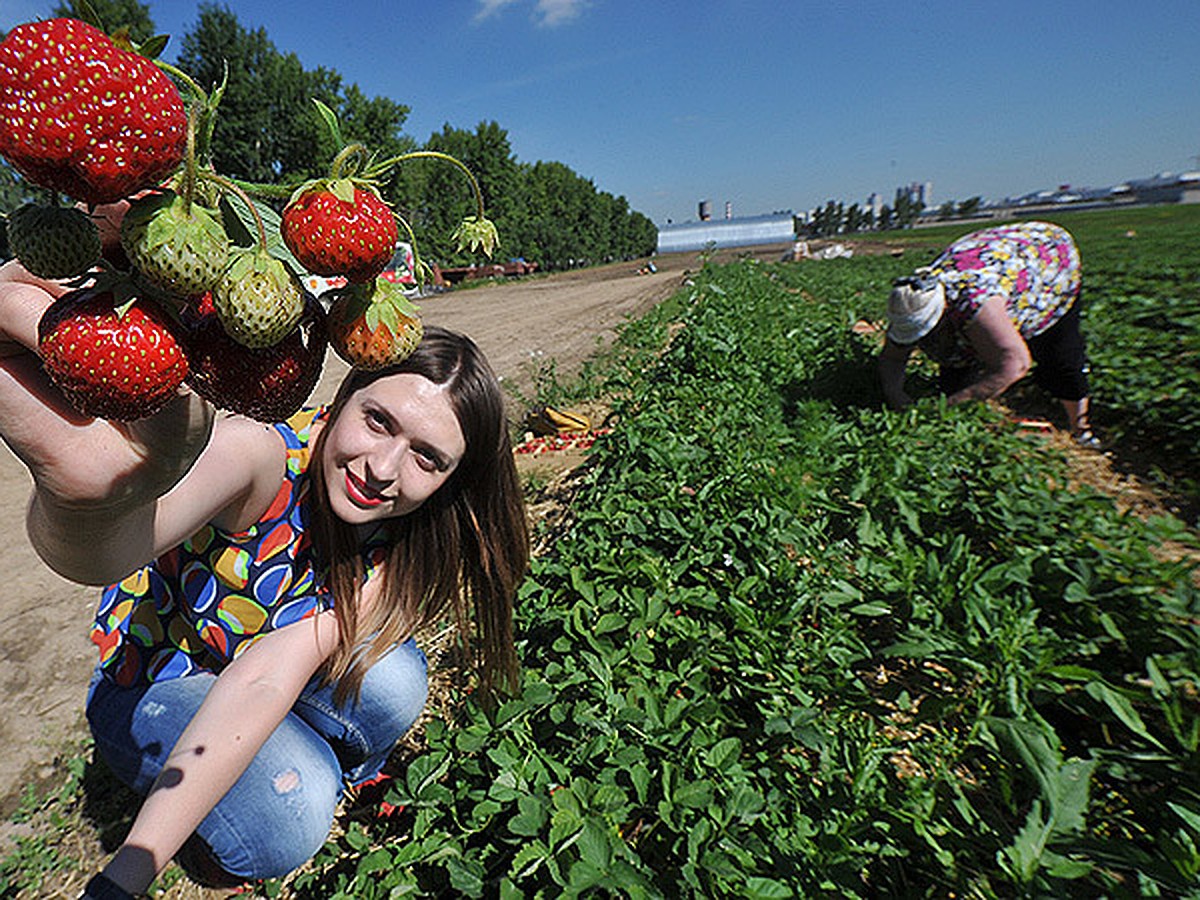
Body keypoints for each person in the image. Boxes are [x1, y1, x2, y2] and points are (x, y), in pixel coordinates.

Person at [0, 211, 529, 899]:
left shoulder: (405, 528)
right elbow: (107, 552)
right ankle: (227, 832)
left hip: (247, 670)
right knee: (294, 806)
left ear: (451, 479)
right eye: (378, 421)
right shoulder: (259, 455)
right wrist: (89, 505)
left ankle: (303, 767)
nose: (383, 468)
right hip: (151, 688)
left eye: (427, 458)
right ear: (344, 397)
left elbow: (270, 673)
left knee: (396, 677)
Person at [876, 221, 1099, 448]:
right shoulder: (908, 301)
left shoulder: (976, 304)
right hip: (988, 255)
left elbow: (1016, 365)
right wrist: (896, 397)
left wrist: (943, 409)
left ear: (942, 312)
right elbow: (892, 357)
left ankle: (1080, 429)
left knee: (1060, 357)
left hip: (1046, 259)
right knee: (955, 379)